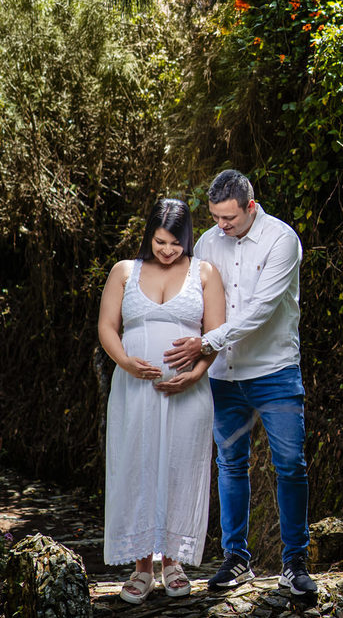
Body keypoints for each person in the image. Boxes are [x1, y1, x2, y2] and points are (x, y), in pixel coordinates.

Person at [163, 169, 318, 598]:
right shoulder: (210, 241)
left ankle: (294, 563)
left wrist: (203, 343)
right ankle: (236, 560)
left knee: (290, 465)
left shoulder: (281, 240)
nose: (220, 225)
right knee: (230, 465)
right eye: (214, 216)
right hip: (224, 376)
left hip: (275, 372)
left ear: (250, 206)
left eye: (228, 217)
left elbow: (259, 312)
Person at [97, 198, 226, 605]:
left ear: (187, 238)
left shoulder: (204, 273)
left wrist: (196, 373)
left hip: (188, 393)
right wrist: (126, 362)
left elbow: (216, 334)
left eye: (175, 243)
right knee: (135, 463)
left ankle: (174, 561)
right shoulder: (124, 271)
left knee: (179, 466)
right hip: (134, 389)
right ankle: (141, 567)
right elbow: (106, 326)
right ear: (149, 235)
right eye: (159, 241)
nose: (167, 250)